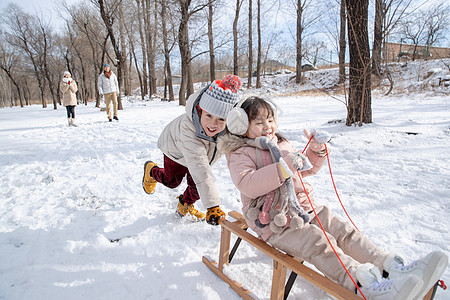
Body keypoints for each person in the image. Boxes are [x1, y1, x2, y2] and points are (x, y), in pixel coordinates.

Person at [218, 96, 448, 300]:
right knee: (317, 242)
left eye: (270, 120)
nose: (267, 127)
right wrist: (284, 167)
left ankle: (390, 268)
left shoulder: (281, 142)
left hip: (304, 208)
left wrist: (314, 152)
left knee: (343, 231)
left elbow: (303, 170)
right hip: (275, 222)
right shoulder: (240, 153)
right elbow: (247, 184)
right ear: (241, 126)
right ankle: (365, 286)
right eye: (258, 122)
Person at [142, 75, 242, 225]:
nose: (213, 124)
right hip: (176, 149)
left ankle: (185, 205)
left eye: (221, 119)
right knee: (172, 181)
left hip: (200, 155)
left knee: (196, 186)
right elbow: (200, 167)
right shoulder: (188, 127)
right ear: (200, 111)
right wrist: (212, 205)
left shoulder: (228, 130)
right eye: (209, 115)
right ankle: (151, 171)